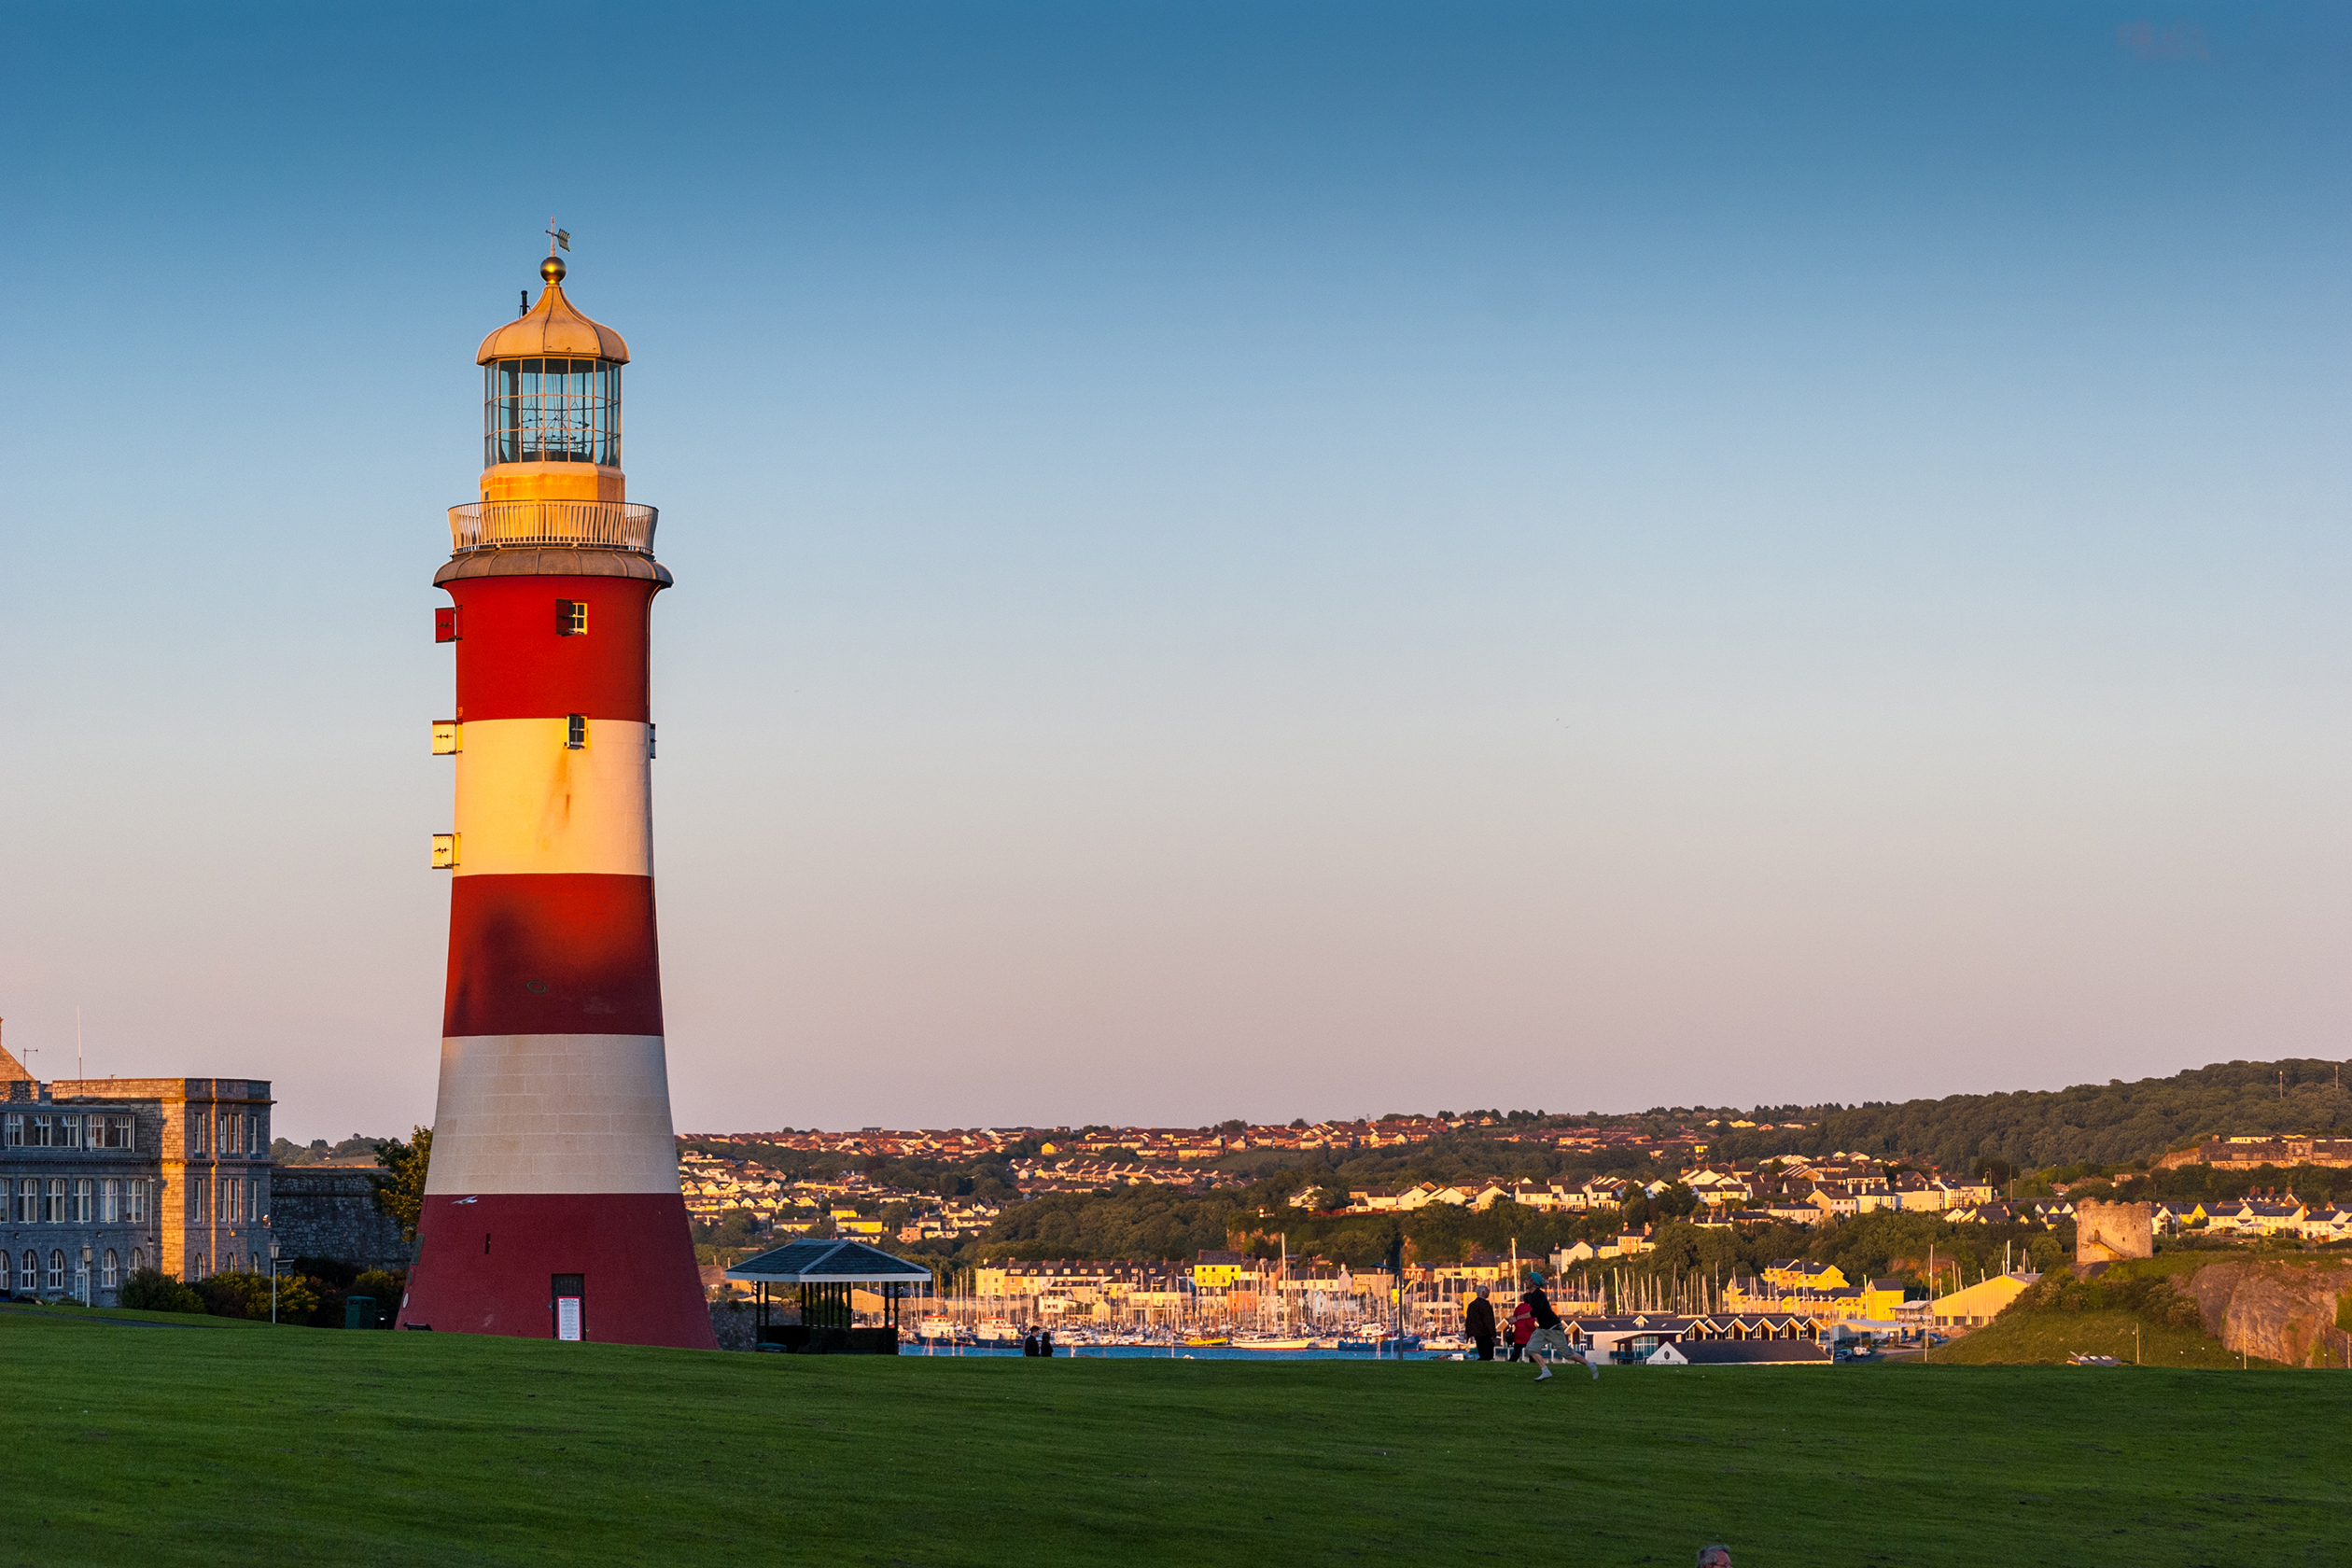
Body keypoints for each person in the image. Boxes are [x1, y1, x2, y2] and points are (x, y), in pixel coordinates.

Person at [1521, 1270, 1580, 1382]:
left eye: (1527, 1280)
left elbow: (1535, 1313)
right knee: (1530, 1349)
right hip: (1544, 1328)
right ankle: (1545, 1371)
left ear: (1533, 1283)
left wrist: (1517, 1318)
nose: (1525, 1282)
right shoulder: (1532, 1295)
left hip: (1553, 1328)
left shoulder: (1538, 1295)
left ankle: (1589, 1364)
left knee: (1566, 1353)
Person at [1464, 1286, 1498, 1361]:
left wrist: (1467, 1332)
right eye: (1487, 1291)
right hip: (1485, 1332)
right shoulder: (1485, 1305)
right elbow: (1489, 1320)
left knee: (1482, 1351)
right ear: (1483, 1293)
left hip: (1476, 1333)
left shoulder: (1472, 1305)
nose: (1488, 1293)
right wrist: (1493, 1334)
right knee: (1488, 1354)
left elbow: (1469, 1320)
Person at [1507, 1297, 1533, 1362]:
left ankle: (1510, 1363)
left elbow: (1514, 1319)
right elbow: (1529, 1323)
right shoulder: (1531, 1309)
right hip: (1528, 1334)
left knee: (1516, 1352)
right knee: (1532, 1353)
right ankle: (1534, 1365)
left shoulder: (1518, 1308)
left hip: (1518, 1333)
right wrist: (1535, 1330)